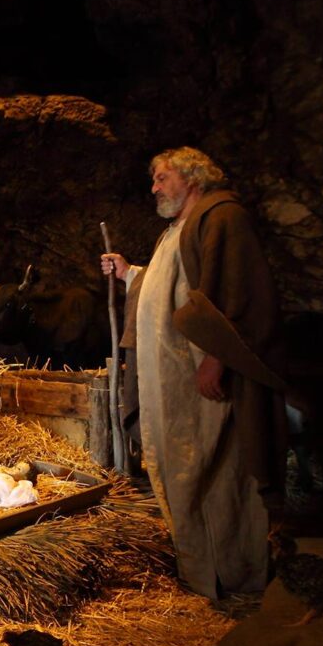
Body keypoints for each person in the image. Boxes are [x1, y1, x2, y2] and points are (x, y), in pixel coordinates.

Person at [100, 147, 287, 599]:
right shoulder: (181, 227)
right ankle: (203, 571)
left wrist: (216, 357)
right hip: (175, 382)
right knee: (187, 469)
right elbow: (175, 286)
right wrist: (130, 274)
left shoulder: (222, 218)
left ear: (192, 178)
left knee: (218, 469)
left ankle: (235, 574)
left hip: (202, 376)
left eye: (162, 178)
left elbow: (235, 294)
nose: (154, 188)